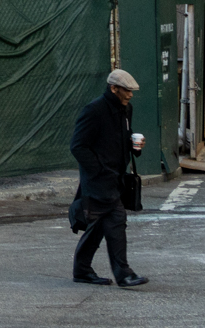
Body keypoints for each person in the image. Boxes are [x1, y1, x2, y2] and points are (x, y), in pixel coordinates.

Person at [68, 68, 149, 288]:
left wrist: (136, 147)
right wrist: (99, 171)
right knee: (116, 221)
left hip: (116, 178)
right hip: (99, 180)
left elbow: (122, 137)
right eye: (126, 90)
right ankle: (124, 274)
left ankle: (82, 270)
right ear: (114, 89)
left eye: (132, 91)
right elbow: (78, 146)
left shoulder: (125, 109)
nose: (130, 94)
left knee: (98, 226)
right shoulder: (94, 110)